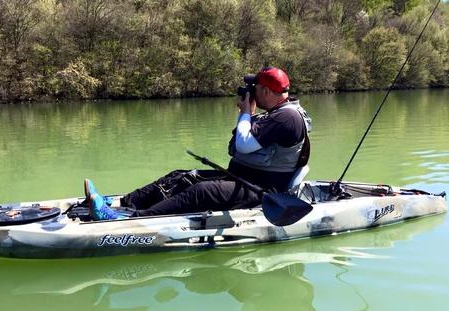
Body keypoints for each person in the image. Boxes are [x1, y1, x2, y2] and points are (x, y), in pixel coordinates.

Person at [88, 66, 312, 220]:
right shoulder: (273, 114)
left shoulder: (287, 117)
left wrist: (246, 112)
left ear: (264, 90)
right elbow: (240, 145)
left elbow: (243, 145)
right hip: (241, 179)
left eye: (255, 88)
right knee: (181, 176)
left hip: (262, 190)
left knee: (202, 191)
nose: (250, 91)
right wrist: (248, 114)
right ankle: (120, 203)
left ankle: (130, 220)